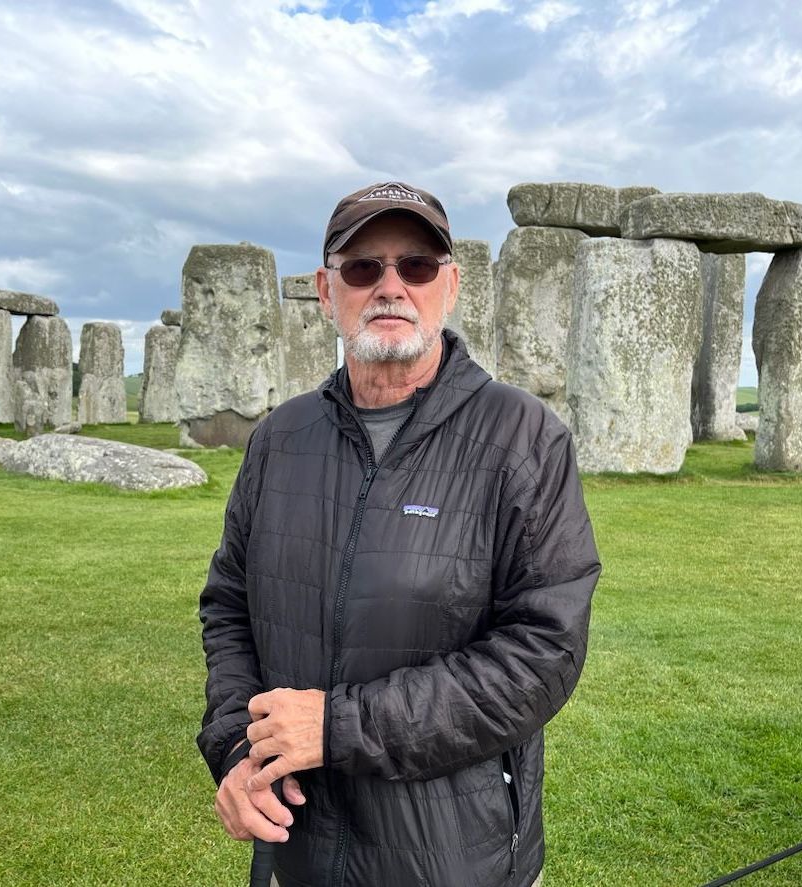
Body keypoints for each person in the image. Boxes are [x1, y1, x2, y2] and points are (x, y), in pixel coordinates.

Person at [198, 181, 601, 887]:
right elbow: (229, 605)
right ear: (327, 290)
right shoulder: (280, 439)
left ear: (450, 285)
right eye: (363, 268)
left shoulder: (524, 440)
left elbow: (544, 652)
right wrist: (237, 744)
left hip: (455, 858)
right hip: (299, 854)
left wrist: (337, 727)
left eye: (416, 266)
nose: (390, 286)